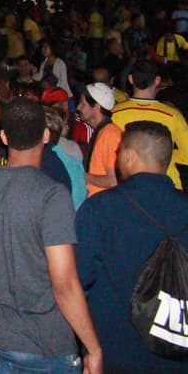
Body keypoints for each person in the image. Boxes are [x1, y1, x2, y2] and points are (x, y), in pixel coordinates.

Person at [0, 98, 102, 374]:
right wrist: (93, 346)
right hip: (44, 347)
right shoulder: (51, 196)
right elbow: (64, 283)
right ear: (45, 135)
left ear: (4, 137)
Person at [76, 121, 188, 373]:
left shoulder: (100, 209)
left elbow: (78, 279)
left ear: (128, 155)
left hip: (117, 352)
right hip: (177, 352)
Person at [111, 59, 188, 189]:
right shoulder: (172, 115)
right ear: (157, 81)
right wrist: (162, 153)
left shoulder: (114, 113)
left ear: (131, 79)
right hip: (167, 184)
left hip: (127, 186)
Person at [79, 82, 121, 195]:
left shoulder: (110, 135)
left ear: (97, 106)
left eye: (83, 104)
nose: (78, 107)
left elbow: (113, 181)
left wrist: (80, 175)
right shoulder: (102, 132)